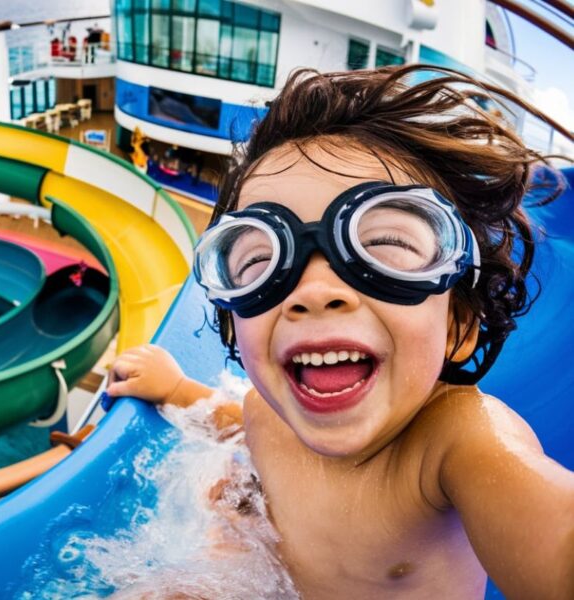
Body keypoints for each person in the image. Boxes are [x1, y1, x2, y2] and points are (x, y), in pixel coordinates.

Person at [107, 65, 574, 599]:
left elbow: (553, 528)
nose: (315, 289)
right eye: (261, 257)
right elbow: (232, 420)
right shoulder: (267, 409)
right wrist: (172, 389)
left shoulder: (457, 443)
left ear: (458, 327)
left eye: (385, 247)